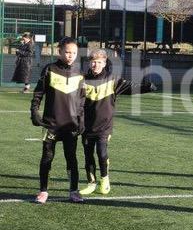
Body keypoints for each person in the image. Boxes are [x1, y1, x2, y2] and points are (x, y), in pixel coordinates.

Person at [79, 49, 156, 196]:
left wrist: (147, 87)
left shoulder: (112, 79)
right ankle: (91, 183)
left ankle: (104, 179)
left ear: (104, 63)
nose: (96, 65)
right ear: (89, 63)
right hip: (86, 126)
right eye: (93, 62)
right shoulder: (82, 80)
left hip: (104, 126)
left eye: (99, 62)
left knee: (101, 153)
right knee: (88, 155)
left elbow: (130, 87)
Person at [30, 37, 86, 204]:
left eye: (74, 53)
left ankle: (74, 191)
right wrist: (34, 112)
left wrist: (81, 120)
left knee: (71, 158)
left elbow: (82, 101)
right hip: (51, 124)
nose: (70, 55)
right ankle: (43, 191)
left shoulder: (80, 73)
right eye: (67, 52)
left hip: (71, 125)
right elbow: (38, 93)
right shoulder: (50, 69)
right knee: (47, 157)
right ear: (59, 51)